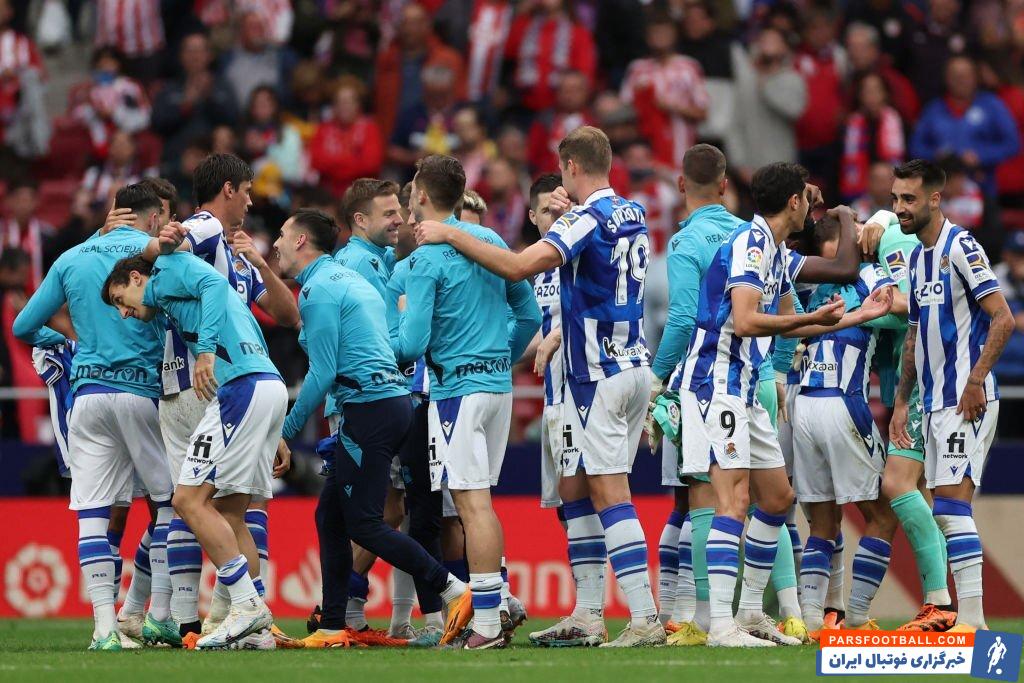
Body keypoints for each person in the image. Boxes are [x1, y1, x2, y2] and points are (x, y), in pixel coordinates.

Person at [416, 127, 662, 647]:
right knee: (575, 489)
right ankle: (588, 614)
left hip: (597, 373)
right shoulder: (633, 211)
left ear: (571, 166)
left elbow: (517, 266)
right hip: (630, 361)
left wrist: (452, 233)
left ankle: (644, 618)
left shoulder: (582, 219)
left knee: (609, 492)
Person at [272, 208, 471, 648]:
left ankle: (453, 589)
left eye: (283, 235)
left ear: (302, 241)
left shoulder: (318, 290)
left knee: (364, 523)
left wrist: (285, 430)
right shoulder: (348, 280)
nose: (276, 244)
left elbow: (322, 372)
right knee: (330, 516)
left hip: (370, 408)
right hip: (391, 402)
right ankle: (332, 625)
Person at [677, 162, 850, 647]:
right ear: (793, 202)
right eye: (805, 198)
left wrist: (858, 315)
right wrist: (811, 318)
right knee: (732, 502)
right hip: (716, 383)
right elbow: (747, 320)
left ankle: (751, 611)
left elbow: (798, 319)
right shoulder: (750, 245)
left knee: (776, 499)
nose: (810, 206)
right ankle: (720, 625)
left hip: (747, 388)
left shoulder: (775, 250)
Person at [12, 183, 177, 650]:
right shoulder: (153, 253)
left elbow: (23, 326)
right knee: (172, 504)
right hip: (141, 392)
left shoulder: (72, 257)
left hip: (87, 396)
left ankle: (105, 630)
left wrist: (68, 343)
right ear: (152, 217)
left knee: (93, 513)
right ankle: (158, 613)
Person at [101, 247, 287, 650]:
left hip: (240, 388)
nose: (124, 312)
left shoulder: (167, 269)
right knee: (232, 514)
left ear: (136, 278)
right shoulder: (172, 298)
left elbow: (215, 284)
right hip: (265, 383)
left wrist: (205, 352)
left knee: (186, 500)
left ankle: (247, 606)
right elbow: (240, 316)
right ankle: (258, 631)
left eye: (120, 299)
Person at [395, 154, 540, 648]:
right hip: (497, 389)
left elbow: (411, 344)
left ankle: (487, 624)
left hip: (457, 391)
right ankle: (497, 606)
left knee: (470, 505)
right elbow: (529, 316)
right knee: (481, 504)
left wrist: (383, 342)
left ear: (420, 195)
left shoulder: (425, 258)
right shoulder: (492, 241)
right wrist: (500, 360)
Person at [155, 153, 299, 645]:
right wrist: (165, 237)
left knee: (210, 503)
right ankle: (206, 617)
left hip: (233, 383)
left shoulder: (237, 253)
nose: (252, 202)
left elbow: (287, 315)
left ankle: (232, 616)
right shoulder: (207, 227)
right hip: (203, 380)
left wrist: (258, 263)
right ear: (229, 189)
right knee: (215, 504)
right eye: (248, 192)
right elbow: (180, 239)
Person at [890, 158, 1014, 632]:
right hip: (933, 402)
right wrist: (902, 401)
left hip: (966, 398)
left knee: (950, 507)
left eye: (909, 199)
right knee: (947, 511)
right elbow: (914, 335)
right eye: (896, 198)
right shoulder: (917, 258)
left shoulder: (961, 246)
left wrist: (976, 379)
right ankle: (968, 619)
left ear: (934, 198)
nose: (900, 208)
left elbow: (1003, 317)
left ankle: (973, 622)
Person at [789, 214, 899, 634]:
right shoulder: (868, 274)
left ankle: (812, 621)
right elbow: (899, 305)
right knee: (883, 514)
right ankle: (855, 618)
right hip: (843, 401)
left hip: (803, 405)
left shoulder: (809, 282)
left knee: (822, 523)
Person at [910, 55, 1019, 197]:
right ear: (946, 78)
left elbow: (1012, 143)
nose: (961, 80)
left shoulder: (992, 105)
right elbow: (915, 146)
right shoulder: (933, 109)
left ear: (976, 78)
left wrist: (980, 155)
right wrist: (936, 155)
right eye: (955, 76)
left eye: (966, 75)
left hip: (982, 185)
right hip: (941, 189)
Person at [619, 10, 708, 172]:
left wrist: (672, 107)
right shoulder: (637, 69)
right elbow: (625, 111)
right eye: (655, 33)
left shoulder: (689, 67)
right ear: (647, 37)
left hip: (682, 153)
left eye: (665, 33)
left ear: (674, 35)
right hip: (646, 154)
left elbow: (702, 112)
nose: (660, 37)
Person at [308, 78, 384, 198]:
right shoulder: (323, 128)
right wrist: (353, 160)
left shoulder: (370, 128)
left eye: (349, 102)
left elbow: (371, 164)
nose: (344, 107)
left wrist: (335, 164)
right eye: (339, 102)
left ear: (358, 104)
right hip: (328, 196)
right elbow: (316, 161)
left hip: (362, 197)